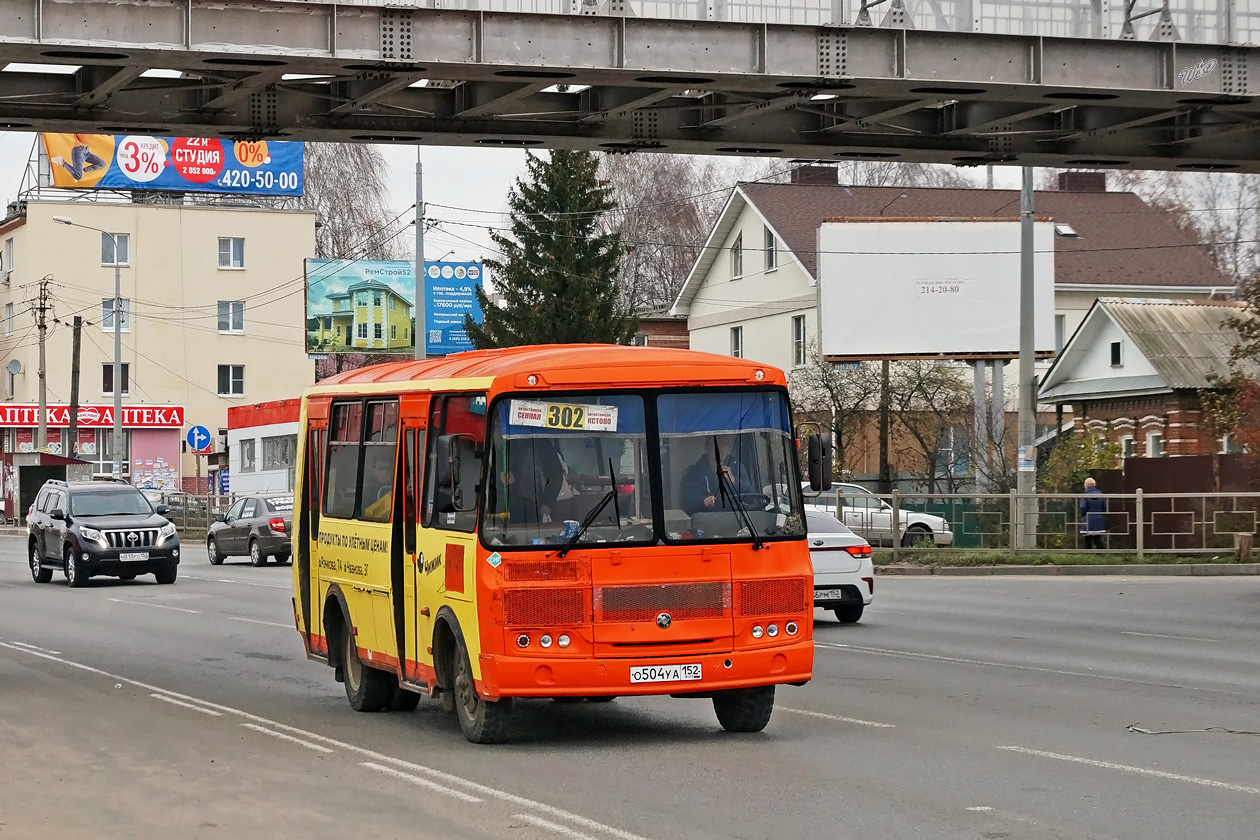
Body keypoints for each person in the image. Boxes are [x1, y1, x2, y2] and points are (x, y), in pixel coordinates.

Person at [499, 439, 566, 525]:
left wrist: (548, 502)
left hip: (537, 507)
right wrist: (502, 476)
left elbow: (556, 476)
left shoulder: (544, 445)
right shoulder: (508, 442)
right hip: (510, 506)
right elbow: (496, 470)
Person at [680, 438, 752, 516]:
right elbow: (689, 502)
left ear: (728, 448)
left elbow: (751, 496)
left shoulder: (737, 468)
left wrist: (734, 481)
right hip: (708, 520)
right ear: (706, 447)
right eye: (716, 444)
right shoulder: (694, 472)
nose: (720, 448)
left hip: (736, 518)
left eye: (724, 444)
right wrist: (704, 502)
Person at [361, 449, 394, 521]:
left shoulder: (394, 487)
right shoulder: (368, 492)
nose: (385, 472)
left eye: (388, 469)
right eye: (381, 469)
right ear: (373, 470)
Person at [1079, 476, 1107, 550]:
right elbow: (1104, 507)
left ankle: (1089, 555)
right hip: (1098, 518)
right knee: (1097, 539)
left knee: (1087, 540)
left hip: (1087, 518)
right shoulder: (1101, 495)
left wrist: (1082, 515)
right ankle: (1102, 555)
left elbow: (1083, 507)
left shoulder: (1085, 496)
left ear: (1085, 485)